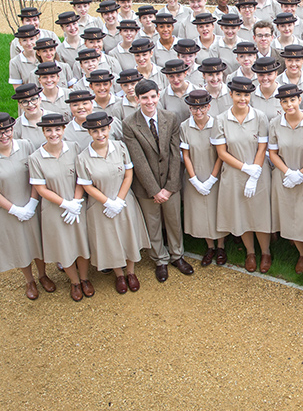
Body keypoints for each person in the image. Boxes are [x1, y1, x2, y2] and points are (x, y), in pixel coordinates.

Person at [123, 79, 194, 282]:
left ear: (158, 96)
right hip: (147, 186)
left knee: (173, 221)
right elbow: (139, 160)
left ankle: (177, 255)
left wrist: (170, 187)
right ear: (137, 99)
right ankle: (160, 259)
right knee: (153, 224)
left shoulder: (170, 118)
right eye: (144, 98)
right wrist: (155, 190)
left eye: (153, 96)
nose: (149, 101)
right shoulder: (129, 124)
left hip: (170, 184)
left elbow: (174, 154)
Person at [76, 112, 151, 294]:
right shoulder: (83, 157)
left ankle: (131, 272)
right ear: (89, 133)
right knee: (110, 239)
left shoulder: (121, 147)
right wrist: (108, 202)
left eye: (103, 130)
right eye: (95, 131)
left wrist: (118, 200)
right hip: (101, 206)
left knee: (128, 234)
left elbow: (128, 174)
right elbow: (87, 186)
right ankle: (118, 273)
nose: (100, 135)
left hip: (124, 200)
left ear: (109, 128)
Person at [213, 76, 273, 273]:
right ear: (231, 94)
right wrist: (245, 169)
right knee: (242, 214)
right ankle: (250, 252)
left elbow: (262, 147)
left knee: (260, 213)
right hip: (234, 175)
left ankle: (265, 252)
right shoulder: (221, 119)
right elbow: (222, 152)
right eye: (238, 94)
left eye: (246, 95)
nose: (242, 99)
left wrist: (254, 174)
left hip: (259, 173)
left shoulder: (260, 116)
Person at [29, 113, 91, 301]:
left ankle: (85, 278)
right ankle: (74, 282)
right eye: (49, 130)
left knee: (81, 243)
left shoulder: (73, 148)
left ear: (64, 130)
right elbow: (40, 188)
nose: (53, 133)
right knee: (64, 246)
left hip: (77, 205)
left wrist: (76, 202)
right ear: (43, 132)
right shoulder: (35, 158)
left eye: (57, 129)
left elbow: (82, 177)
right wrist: (65, 204)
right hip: (55, 210)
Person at [268, 84, 303, 275]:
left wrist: (300, 174)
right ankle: (302, 254)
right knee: (289, 218)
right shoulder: (275, 123)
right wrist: (288, 172)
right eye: (284, 101)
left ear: (300, 100)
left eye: (292, 100)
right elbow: (272, 153)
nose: (289, 104)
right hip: (284, 179)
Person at [0, 113, 48, 300]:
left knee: (37, 240)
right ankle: (29, 280)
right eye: (0, 133)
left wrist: (32, 203)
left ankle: (43, 275)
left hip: (32, 202)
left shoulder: (25, 145)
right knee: (20, 244)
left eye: (7, 131)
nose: (4, 136)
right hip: (9, 210)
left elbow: (36, 175)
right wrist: (14, 209)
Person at [180, 90, 227, 267]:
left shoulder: (217, 124)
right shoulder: (185, 126)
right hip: (195, 174)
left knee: (216, 210)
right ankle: (209, 247)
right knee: (202, 212)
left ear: (208, 106)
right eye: (194, 108)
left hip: (214, 173)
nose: (198, 112)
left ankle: (221, 246)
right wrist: (194, 180)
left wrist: (211, 179)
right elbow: (186, 155)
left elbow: (221, 155)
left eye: (202, 108)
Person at [12, 83, 50, 148]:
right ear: (20, 105)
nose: (30, 104)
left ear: (40, 99)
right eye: (24, 101)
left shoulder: (53, 117)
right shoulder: (16, 127)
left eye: (33, 99)